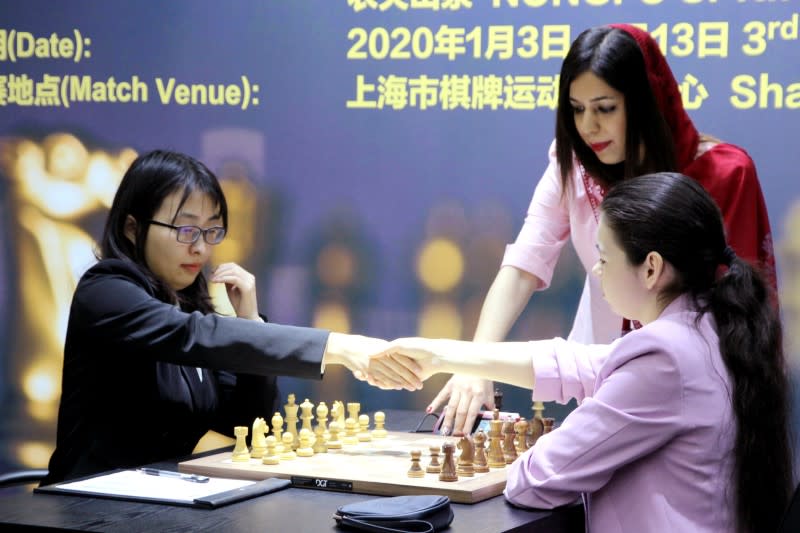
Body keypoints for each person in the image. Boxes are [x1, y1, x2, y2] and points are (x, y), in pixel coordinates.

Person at [387, 172, 792, 533]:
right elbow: (576, 365)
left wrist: (543, 440)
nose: (596, 272)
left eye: (603, 258)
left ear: (651, 268)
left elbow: (537, 480)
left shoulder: (664, 357)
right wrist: (445, 356)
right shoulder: (708, 327)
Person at [429, 23, 777, 435]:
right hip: (601, 376)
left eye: (604, 108)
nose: (588, 127)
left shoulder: (725, 173)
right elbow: (525, 262)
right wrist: (476, 362)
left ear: (644, 102)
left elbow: (737, 314)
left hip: (697, 391)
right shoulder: (574, 163)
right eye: (576, 109)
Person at [41, 150, 419, 485]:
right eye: (186, 229)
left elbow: (252, 427)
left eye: (211, 230)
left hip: (164, 505)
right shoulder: (107, 292)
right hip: (89, 507)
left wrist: (251, 320)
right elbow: (192, 335)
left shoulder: (190, 307)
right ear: (132, 227)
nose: (201, 247)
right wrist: (335, 346)